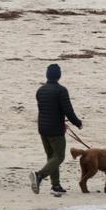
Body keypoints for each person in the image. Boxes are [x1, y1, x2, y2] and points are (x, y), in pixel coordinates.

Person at [31, 63, 83, 197]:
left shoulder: (40, 90)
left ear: (47, 75)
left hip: (43, 128)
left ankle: (56, 185)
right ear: (59, 76)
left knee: (51, 157)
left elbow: (46, 109)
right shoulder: (61, 90)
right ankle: (39, 175)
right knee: (59, 156)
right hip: (55, 130)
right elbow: (68, 110)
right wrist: (77, 123)